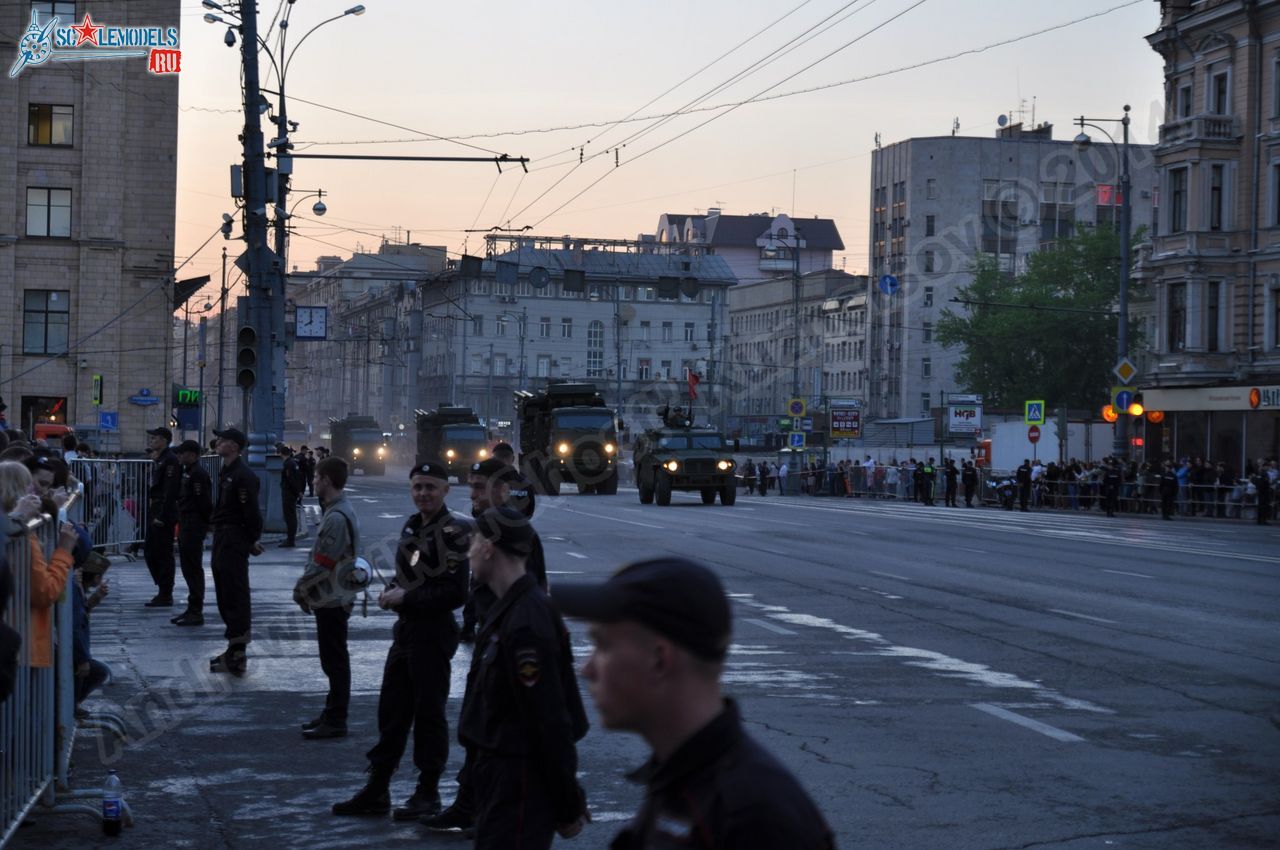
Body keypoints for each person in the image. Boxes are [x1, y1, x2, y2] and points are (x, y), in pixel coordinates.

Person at [555, 557, 836, 849]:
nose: (586, 669)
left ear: (660, 660)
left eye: (602, 646)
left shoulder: (753, 817)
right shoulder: (687, 778)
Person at [333, 462, 470, 821]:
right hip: (407, 632)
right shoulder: (413, 525)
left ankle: (428, 791)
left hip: (433, 634)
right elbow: (410, 575)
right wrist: (394, 590)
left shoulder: (453, 532)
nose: (423, 493)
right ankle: (378, 788)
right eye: (418, 487)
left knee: (428, 714)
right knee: (391, 713)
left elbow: (456, 593)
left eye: (430, 487)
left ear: (445, 491)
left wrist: (406, 598)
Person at [445, 506, 589, 848]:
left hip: (519, 783)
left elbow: (550, 721)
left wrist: (567, 804)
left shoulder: (526, 621)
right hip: (498, 778)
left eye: (474, 540)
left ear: (488, 548)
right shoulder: (509, 609)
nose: (469, 550)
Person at [427, 460, 552, 834]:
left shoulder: (514, 531)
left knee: (500, 732)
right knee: (477, 725)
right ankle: (469, 804)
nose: (473, 495)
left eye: (480, 488)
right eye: (472, 487)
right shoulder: (490, 526)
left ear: (501, 490)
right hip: (490, 642)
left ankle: (493, 809)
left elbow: (531, 592)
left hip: (509, 647)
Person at [294, 455, 360, 740]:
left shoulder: (335, 517)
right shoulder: (338, 509)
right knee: (333, 659)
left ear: (327, 482)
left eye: (317, 478)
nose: (313, 481)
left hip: (333, 596)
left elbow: (323, 561)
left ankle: (336, 719)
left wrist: (302, 588)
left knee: (334, 660)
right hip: (334, 593)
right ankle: (331, 712)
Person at [209, 429, 264, 675]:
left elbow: (252, 514)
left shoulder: (243, 476)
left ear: (234, 446)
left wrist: (249, 540)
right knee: (224, 592)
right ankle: (233, 646)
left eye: (222, 440)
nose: (218, 443)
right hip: (223, 536)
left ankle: (238, 652)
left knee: (235, 594)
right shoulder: (228, 472)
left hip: (233, 538)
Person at [172, 440, 213, 627]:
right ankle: (192, 608)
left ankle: (196, 611)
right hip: (187, 523)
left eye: (183, 453)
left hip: (194, 525)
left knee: (193, 568)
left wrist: (204, 525)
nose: (179, 456)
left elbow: (203, 502)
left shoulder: (198, 475)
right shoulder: (188, 472)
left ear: (193, 455)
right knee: (188, 568)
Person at [143, 427, 182, 607]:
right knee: (151, 551)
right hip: (156, 508)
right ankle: (162, 587)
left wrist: (163, 515)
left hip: (163, 511)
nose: (152, 441)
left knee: (162, 552)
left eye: (155, 438)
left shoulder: (170, 460)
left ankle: (166, 592)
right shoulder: (160, 459)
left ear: (165, 440)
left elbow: (171, 491)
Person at [279, 444, 304, 548]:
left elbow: (291, 480)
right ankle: (290, 538)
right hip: (292, 493)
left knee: (289, 517)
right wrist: (299, 491)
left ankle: (290, 540)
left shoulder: (288, 464)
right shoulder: (293, 463)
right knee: (291, 516)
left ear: (281, 454)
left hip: (289, 493)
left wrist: (296, 491)